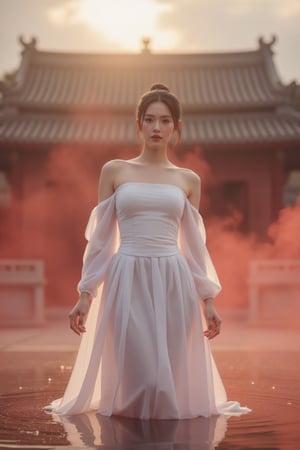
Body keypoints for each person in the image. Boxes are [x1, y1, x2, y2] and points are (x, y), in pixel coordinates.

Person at [46, 83, 250, 419]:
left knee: (166, 373)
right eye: (150, 119)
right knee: (140, 374)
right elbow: (100, 239)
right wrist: (86, 293)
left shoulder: (188, 180)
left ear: (176, 127)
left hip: (173, 278)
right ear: (138, 124)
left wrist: (208, 300)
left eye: (165, 121)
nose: (157, 127)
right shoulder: (115, 170)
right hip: (126, 275)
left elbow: (194, 246)